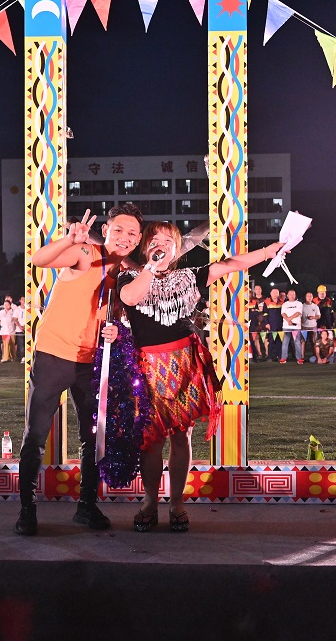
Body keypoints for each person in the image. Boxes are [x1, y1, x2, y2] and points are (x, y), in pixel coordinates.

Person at [119, 220, 285, 533]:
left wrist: (268, 251)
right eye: (155, 239)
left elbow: (229, 265)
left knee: (181, 436)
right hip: (149, 369)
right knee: (150, 440)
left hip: (185, 365)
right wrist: (150, 268)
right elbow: (129, 298)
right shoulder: (129, 277)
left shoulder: (189, 277)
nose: (161, 244)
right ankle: (150, 502)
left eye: (169, 240)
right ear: (145, 246)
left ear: (176, 250)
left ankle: (177, 502)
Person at [16, 205, 144, 536]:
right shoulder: (87, 253)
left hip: (91, 361)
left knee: (93, 437)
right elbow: (39, 260)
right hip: (53, 355)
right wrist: (68, 241)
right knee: (36, 435)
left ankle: (86, 506)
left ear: (138, 239)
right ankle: (27, 509)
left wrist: (116, 332)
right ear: (107, 230)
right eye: (118, 230)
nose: (124, 237)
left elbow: (120, 319)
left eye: (132, 233)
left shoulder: (126, 275)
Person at [279, 289, 303, 364]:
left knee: (297, 342)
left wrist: (290, 318)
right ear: (287, 295)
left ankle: (299, 358)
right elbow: (283, 313)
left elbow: (298, 312)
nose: (292, 296)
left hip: (296, 326)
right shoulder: (284, 304)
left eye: (293, 294)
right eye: (290, 294)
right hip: (286, 326)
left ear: (295, 295)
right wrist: (288, 320)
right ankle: (283, 358)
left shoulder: (299, 303)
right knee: (285, 342)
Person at [248, 285, 267, 363]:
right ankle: (257, 354)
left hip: (257, 322)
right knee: (253, 339)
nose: (248, 294)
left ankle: (263, 354)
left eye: (249, 293)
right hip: (248, 324)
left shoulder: (258, 300)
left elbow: (260, 312)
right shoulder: (242, 302)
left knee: (264, 338)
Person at [264, 288, 284, 361]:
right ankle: (270, 357)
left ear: (278, 294)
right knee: (271, 341)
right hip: (271, 324)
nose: (275, 294)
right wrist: (267, 323)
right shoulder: (266, 302)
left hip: (280, 324)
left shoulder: (282, 301)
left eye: (276, 292)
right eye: (273, 292)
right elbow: (265, 314)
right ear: (270, 293)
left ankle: (280, 356)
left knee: (280, 341)